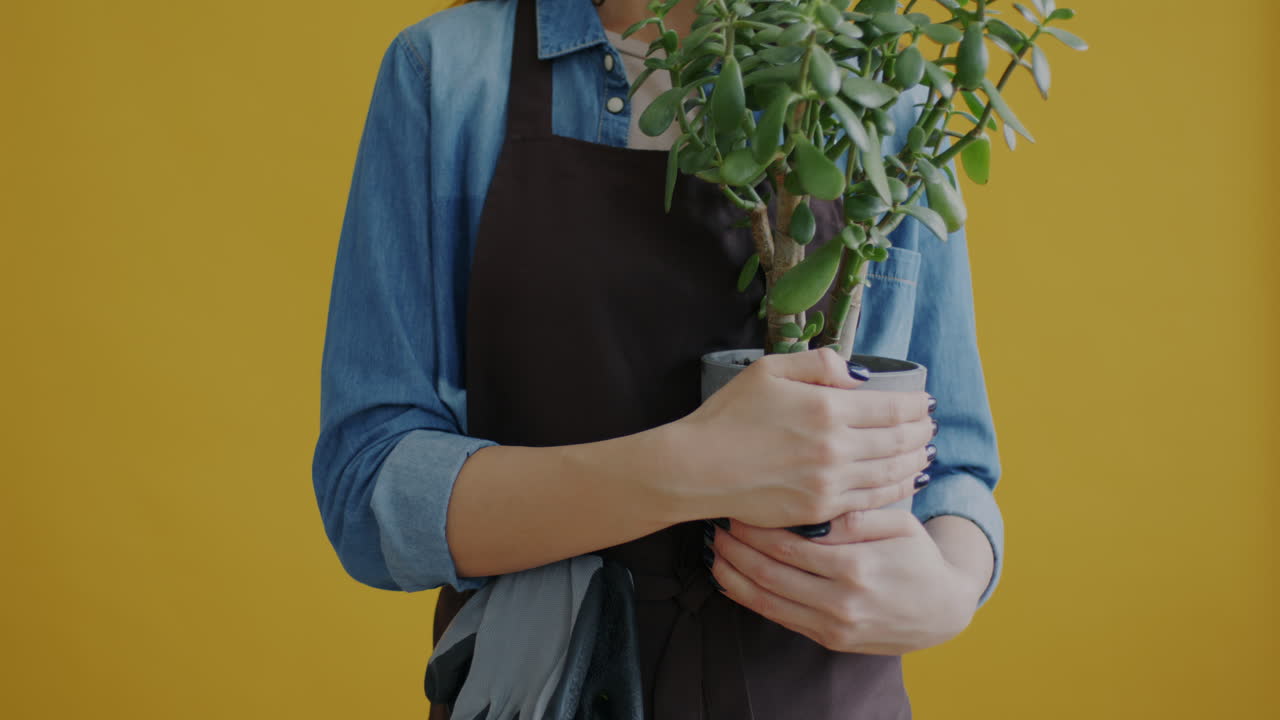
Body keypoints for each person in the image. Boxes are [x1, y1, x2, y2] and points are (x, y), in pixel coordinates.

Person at [312, 0, 1004, 716]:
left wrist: (949, 591)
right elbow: (369, 487)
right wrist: (693, 467)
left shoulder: (881, 96)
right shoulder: (449, 76)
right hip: (551, 689)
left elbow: (953, 464)